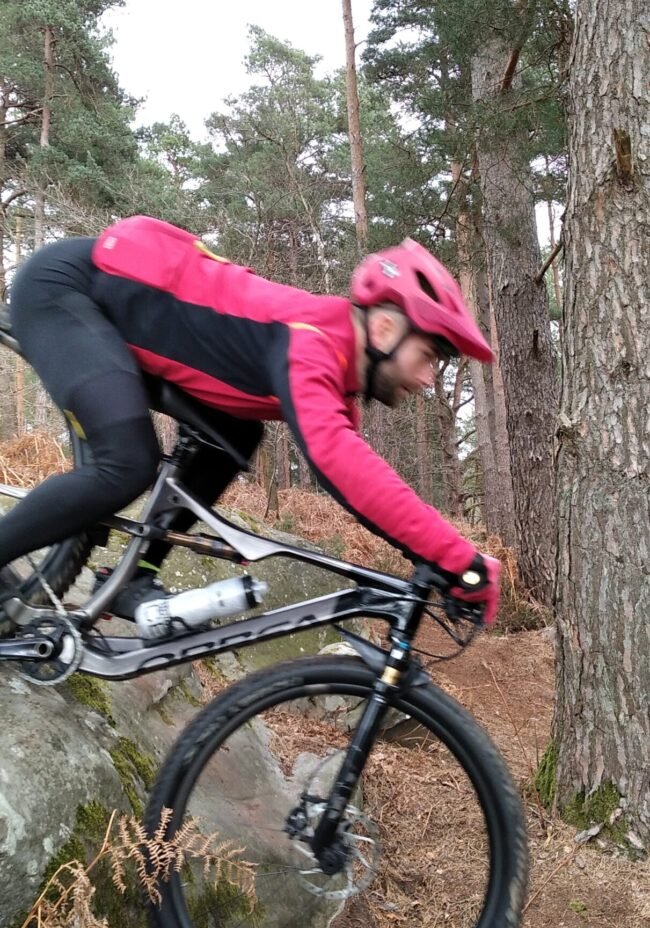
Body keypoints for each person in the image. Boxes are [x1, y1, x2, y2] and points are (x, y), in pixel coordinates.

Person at [0, 215, 500, 624]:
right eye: (428, 356)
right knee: (126, 464)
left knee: (234, 435)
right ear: (386, 329)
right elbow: (339, 462)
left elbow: (361, 487)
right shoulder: (312, 343)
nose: (429, 378)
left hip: (111, 315)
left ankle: (133, 577)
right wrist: (459, 558)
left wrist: (435, 559)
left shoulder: (335, 369)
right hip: (65, 290)